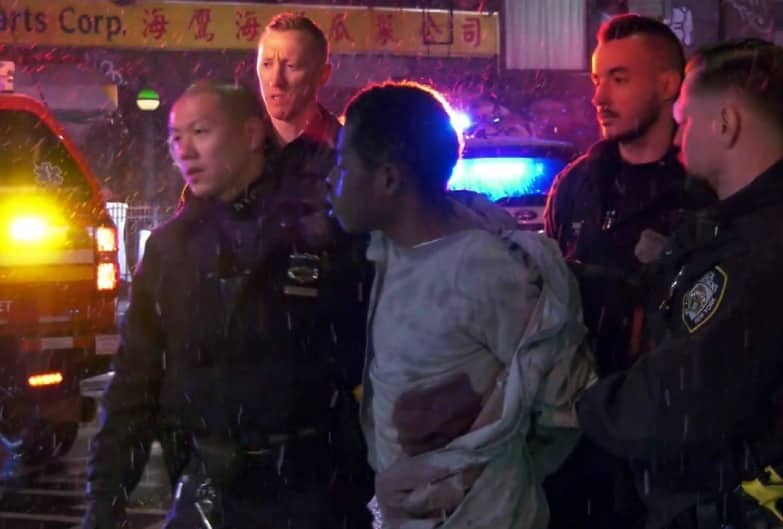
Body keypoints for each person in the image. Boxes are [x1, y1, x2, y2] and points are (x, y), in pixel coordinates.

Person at [84, 80, 368, 529]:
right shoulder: (169, 250)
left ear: (252, 135)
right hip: (207, 490)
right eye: (175, 137)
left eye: (200, 132)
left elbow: (368, 359)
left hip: (312, 492)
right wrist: (105, 502)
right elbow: (134, 383)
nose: (184, 150)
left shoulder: (319, 234)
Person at [326, 81, 594, 529]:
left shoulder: (481, 270)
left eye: (341, 164)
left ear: (389, 179)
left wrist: (476, 473)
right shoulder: (385, 249)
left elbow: (561, 402)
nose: (330, 179)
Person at [578, 38, 783, 529]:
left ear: (726, 123)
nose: (676, 138)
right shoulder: (732, 228)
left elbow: (672, 403)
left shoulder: (757, 251)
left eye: (685, 119)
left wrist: (571, 403)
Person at [542, 14, 716, 529]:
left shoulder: (703, 190)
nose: (599, 97)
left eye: (619, 79)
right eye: (598, 80)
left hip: (667, 442)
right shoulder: (577, 183)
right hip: (575, 431)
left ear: (667, 86)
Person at [256, 13, 375, 527]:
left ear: (323, 73)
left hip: (331, 402)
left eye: (292, 66)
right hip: (247, 400)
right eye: (267, 63)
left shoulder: (351, 160)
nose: (277, 79)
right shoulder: (231, 154)